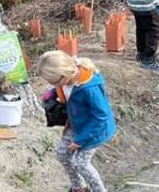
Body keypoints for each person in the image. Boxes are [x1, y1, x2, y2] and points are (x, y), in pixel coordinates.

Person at [36, 51, 117, 192]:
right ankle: (79, 187)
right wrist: (53, 93)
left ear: (64, 75)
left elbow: (101, 117)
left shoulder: (89, 89)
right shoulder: (66, 80)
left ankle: (99, 190)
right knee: (62, 154)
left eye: (54, 82)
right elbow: (67, 90)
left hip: (94, 129)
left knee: (81, 163)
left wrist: (80, 140)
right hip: (77, 124)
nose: (52, 85)